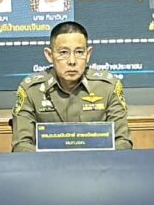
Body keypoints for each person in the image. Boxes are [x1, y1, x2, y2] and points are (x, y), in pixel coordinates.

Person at [11, 21, 132, 152]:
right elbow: (21, 145)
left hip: (99, 163)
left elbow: (123, 142)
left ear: (88, 54)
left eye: (79, 52)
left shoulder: (108, 87)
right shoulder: (31, 90)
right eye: (63, 52)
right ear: (50, 55)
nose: (72, 61)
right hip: (47, 164)